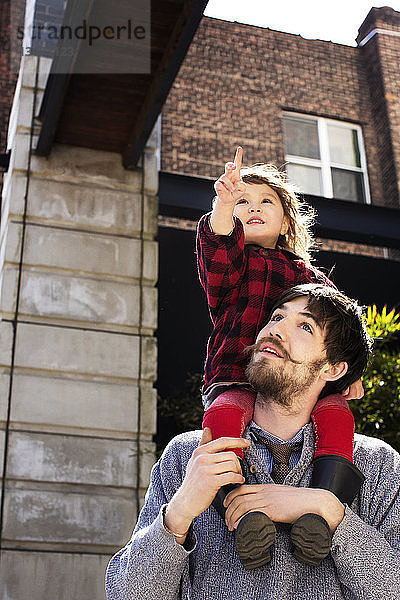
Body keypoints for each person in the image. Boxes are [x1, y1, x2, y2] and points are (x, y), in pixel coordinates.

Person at [105, 284, 400, 600]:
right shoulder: (189, 455)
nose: (276, 331)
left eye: (304, 326)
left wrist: (333, 514)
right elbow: (126, 594)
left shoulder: (377, 464)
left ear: (333, 368)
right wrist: (177, 515)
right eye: (275, 317)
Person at [196, 147, 363, 567]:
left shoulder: (309, 275)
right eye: (242, 204)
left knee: (339, 416)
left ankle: (322, 508)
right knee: (222, 420)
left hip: (298, 383)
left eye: (264, 201)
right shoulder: (235, 267)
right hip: (237, 374)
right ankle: (239, 507)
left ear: (287, 220)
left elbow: (338, 327)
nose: (252, 208)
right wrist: (221, 203)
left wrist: (349, 375)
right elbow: (215, 250)